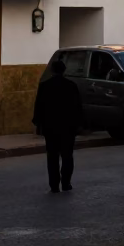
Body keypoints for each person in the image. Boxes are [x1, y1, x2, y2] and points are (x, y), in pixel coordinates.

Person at [32, 58, 82, 193]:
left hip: (50, 127)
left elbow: (39, 106)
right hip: (68, 127)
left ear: (52, 70)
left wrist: (38, 123)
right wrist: (78, 125)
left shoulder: (45, 85)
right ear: (64, 70)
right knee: (67, 155)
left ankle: (54, 185)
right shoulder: (71, 86)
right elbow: (78, 107)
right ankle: (66, 183)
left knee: (52, 156)